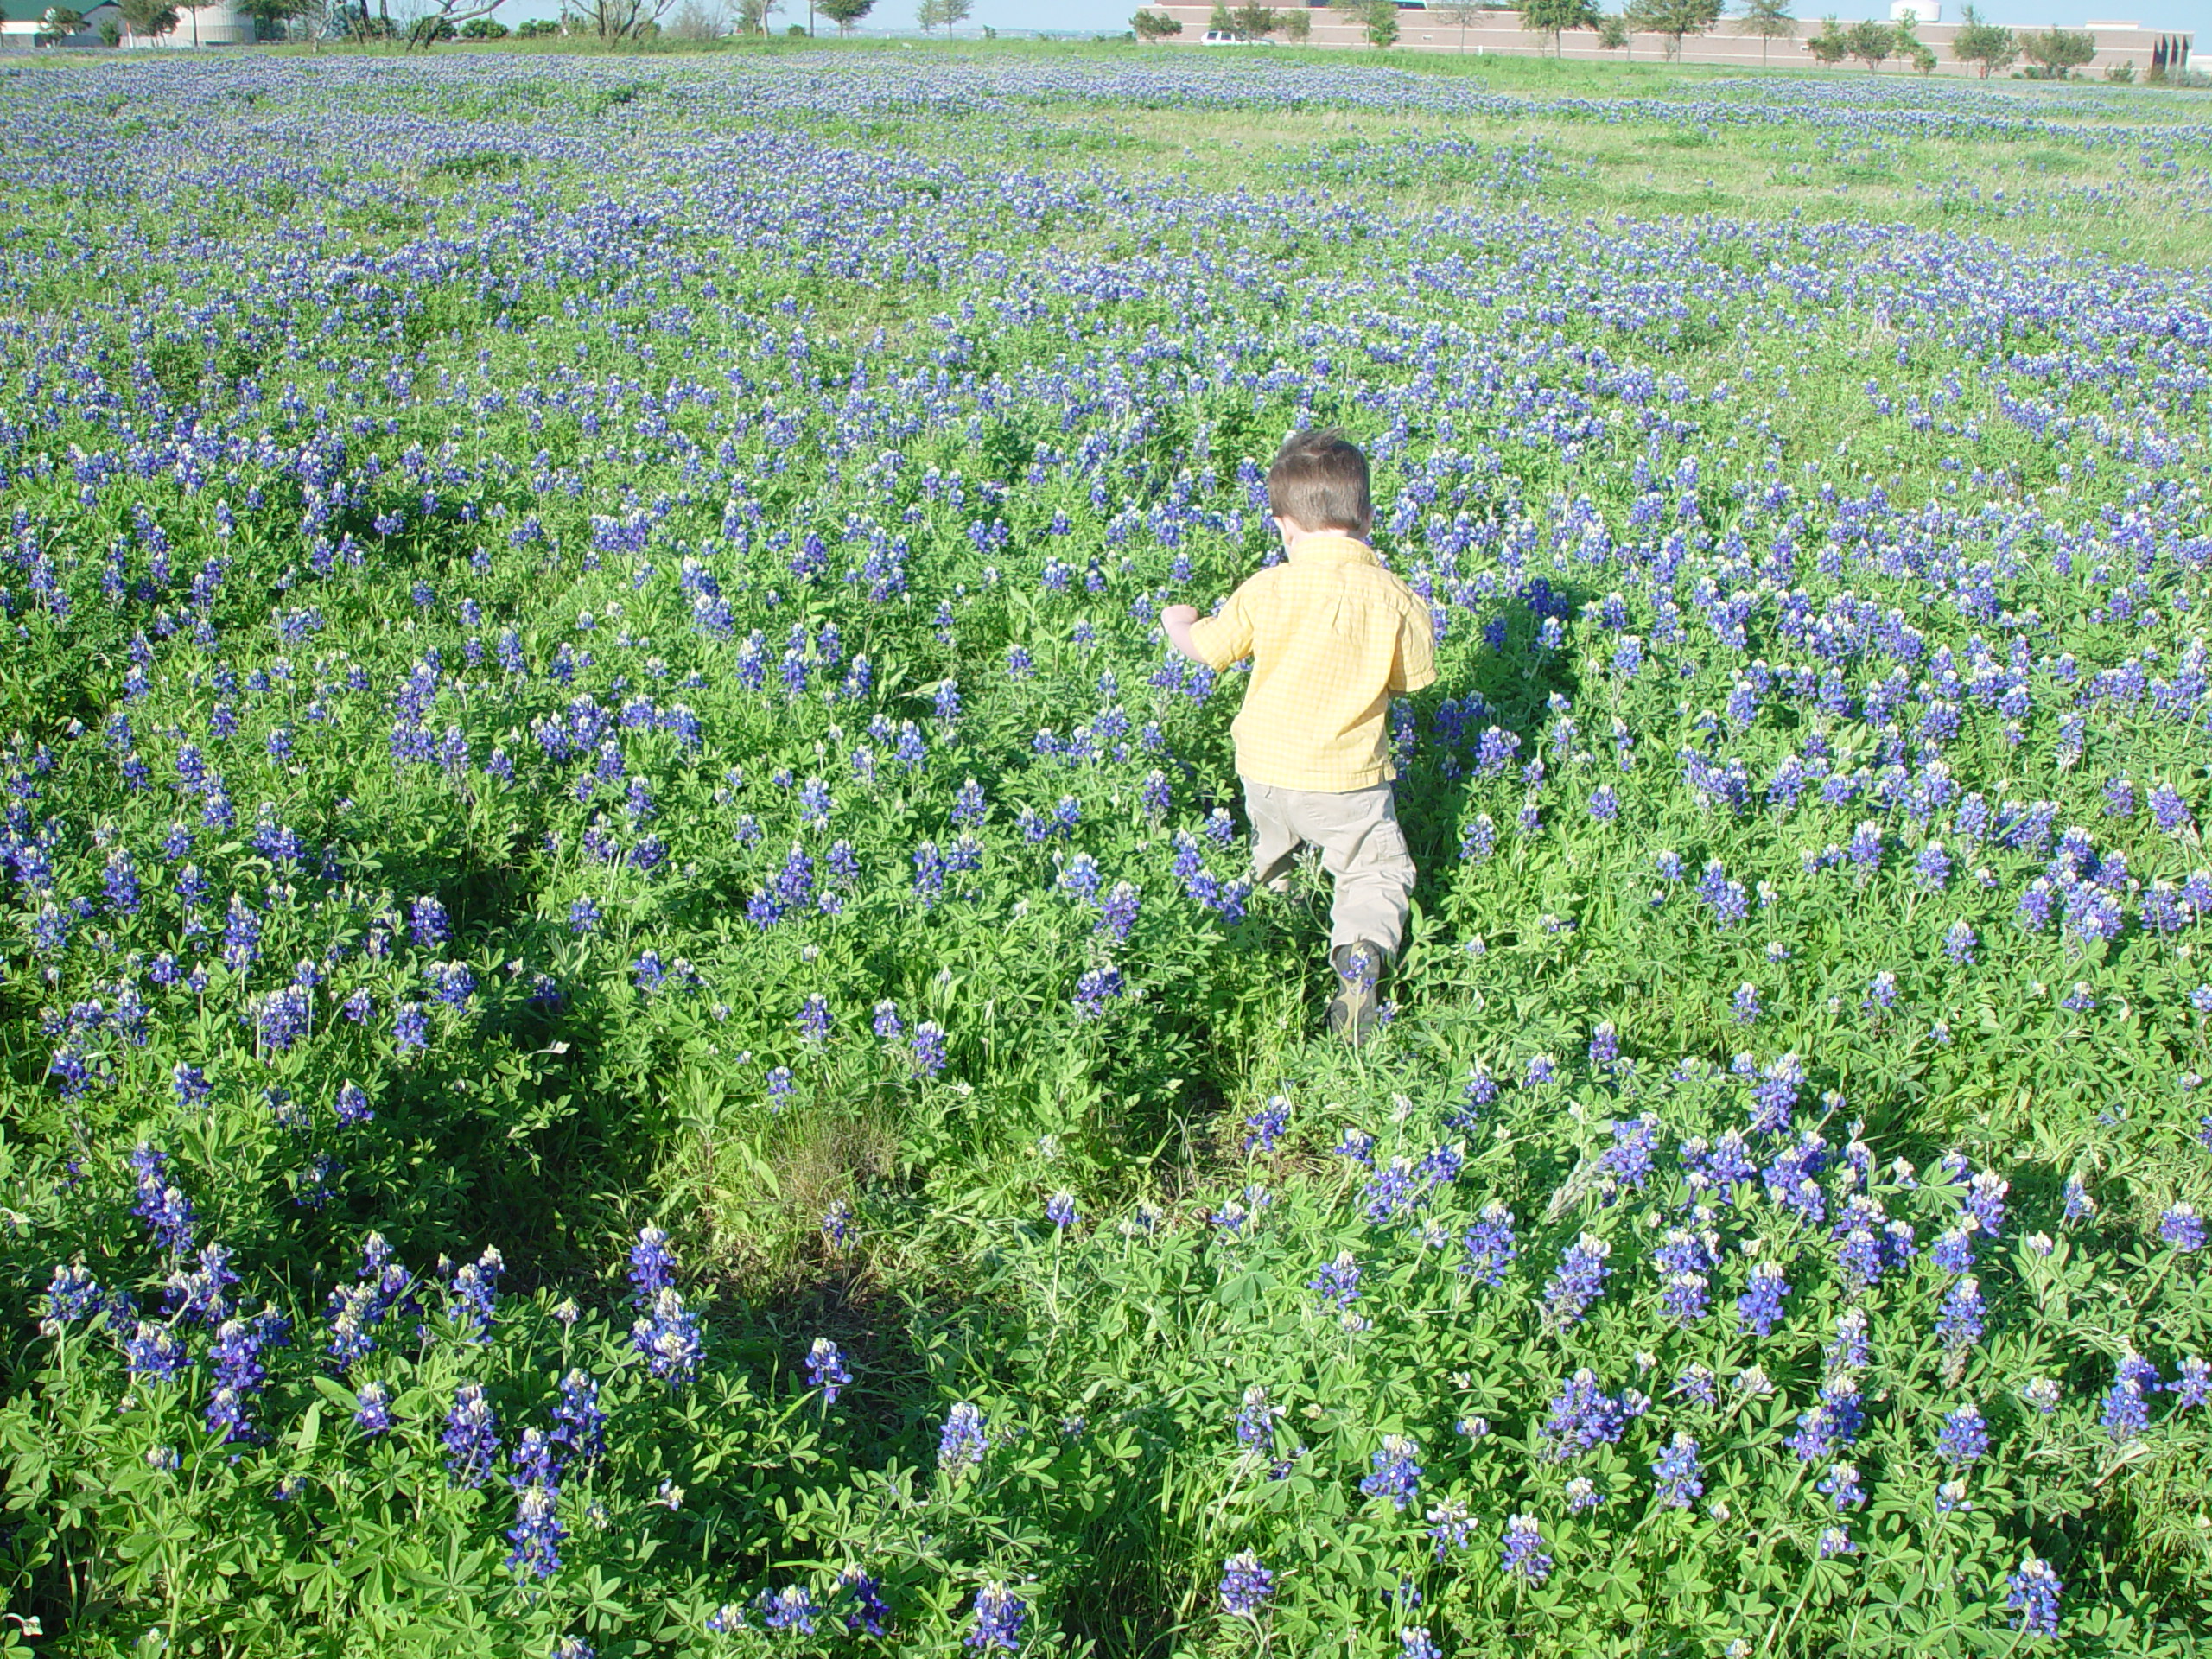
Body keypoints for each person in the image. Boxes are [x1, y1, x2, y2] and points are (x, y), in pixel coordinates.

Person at [1162, 429, 1435, 1044]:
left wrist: (1178, 622)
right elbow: (1412, 680)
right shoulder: (1396, 598)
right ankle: (1358, 961)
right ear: (1367, 517)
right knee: (1370, 869)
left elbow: (1207, 649)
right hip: (1348, 781)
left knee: (1272, 846)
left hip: (1264, 769)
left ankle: (1269, 929)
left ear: (1282, 525)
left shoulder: (1267, 587)